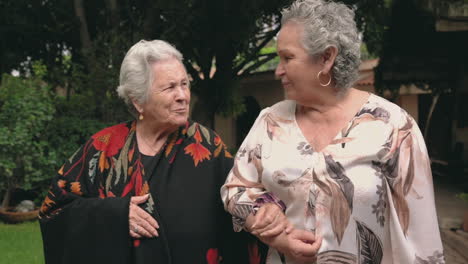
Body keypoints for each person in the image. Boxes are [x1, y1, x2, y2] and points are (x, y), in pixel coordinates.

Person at [221, 0, 445, 263]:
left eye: (288, 58)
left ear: (326, 58)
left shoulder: (394, 128)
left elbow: (422, 236)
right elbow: (235, 189)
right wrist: (264, 213)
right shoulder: (271, 121)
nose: (278, 71)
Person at [39, 40, 248, 264]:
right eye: (169, 87)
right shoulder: (103, 147)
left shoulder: (207, 145)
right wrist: (114, 215)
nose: (183, 96)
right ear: (138, 101)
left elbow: (241, 203)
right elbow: (53, 213)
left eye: (184, 84)